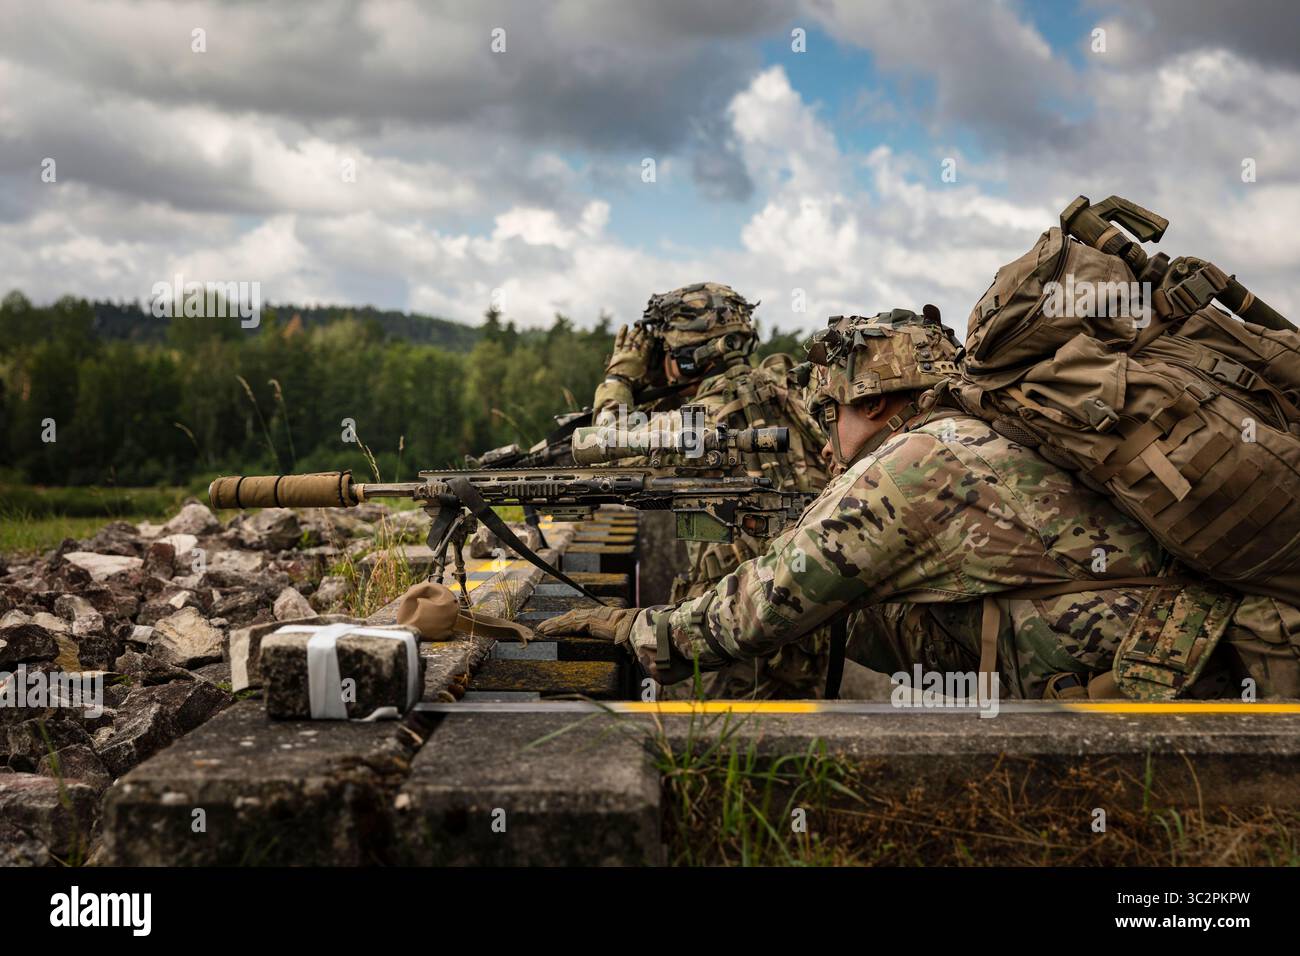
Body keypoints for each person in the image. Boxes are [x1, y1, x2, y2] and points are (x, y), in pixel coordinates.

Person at [541, 306, 1300, 701]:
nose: (825, 424)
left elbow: (759, 609)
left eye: (832, 405)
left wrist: (636, 631)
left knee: (822, 606)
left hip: (1179, 680)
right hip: (1193, 646)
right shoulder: (974, 431)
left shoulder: (916, 465)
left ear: (877, 403)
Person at [593, 281, 832, 698]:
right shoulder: (794, 395)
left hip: (723, 637)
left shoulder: (695, 425)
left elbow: (604, 446)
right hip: (812, 632)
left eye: (664, 353)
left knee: (714, 753)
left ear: (686, 360)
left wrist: (620, 377)